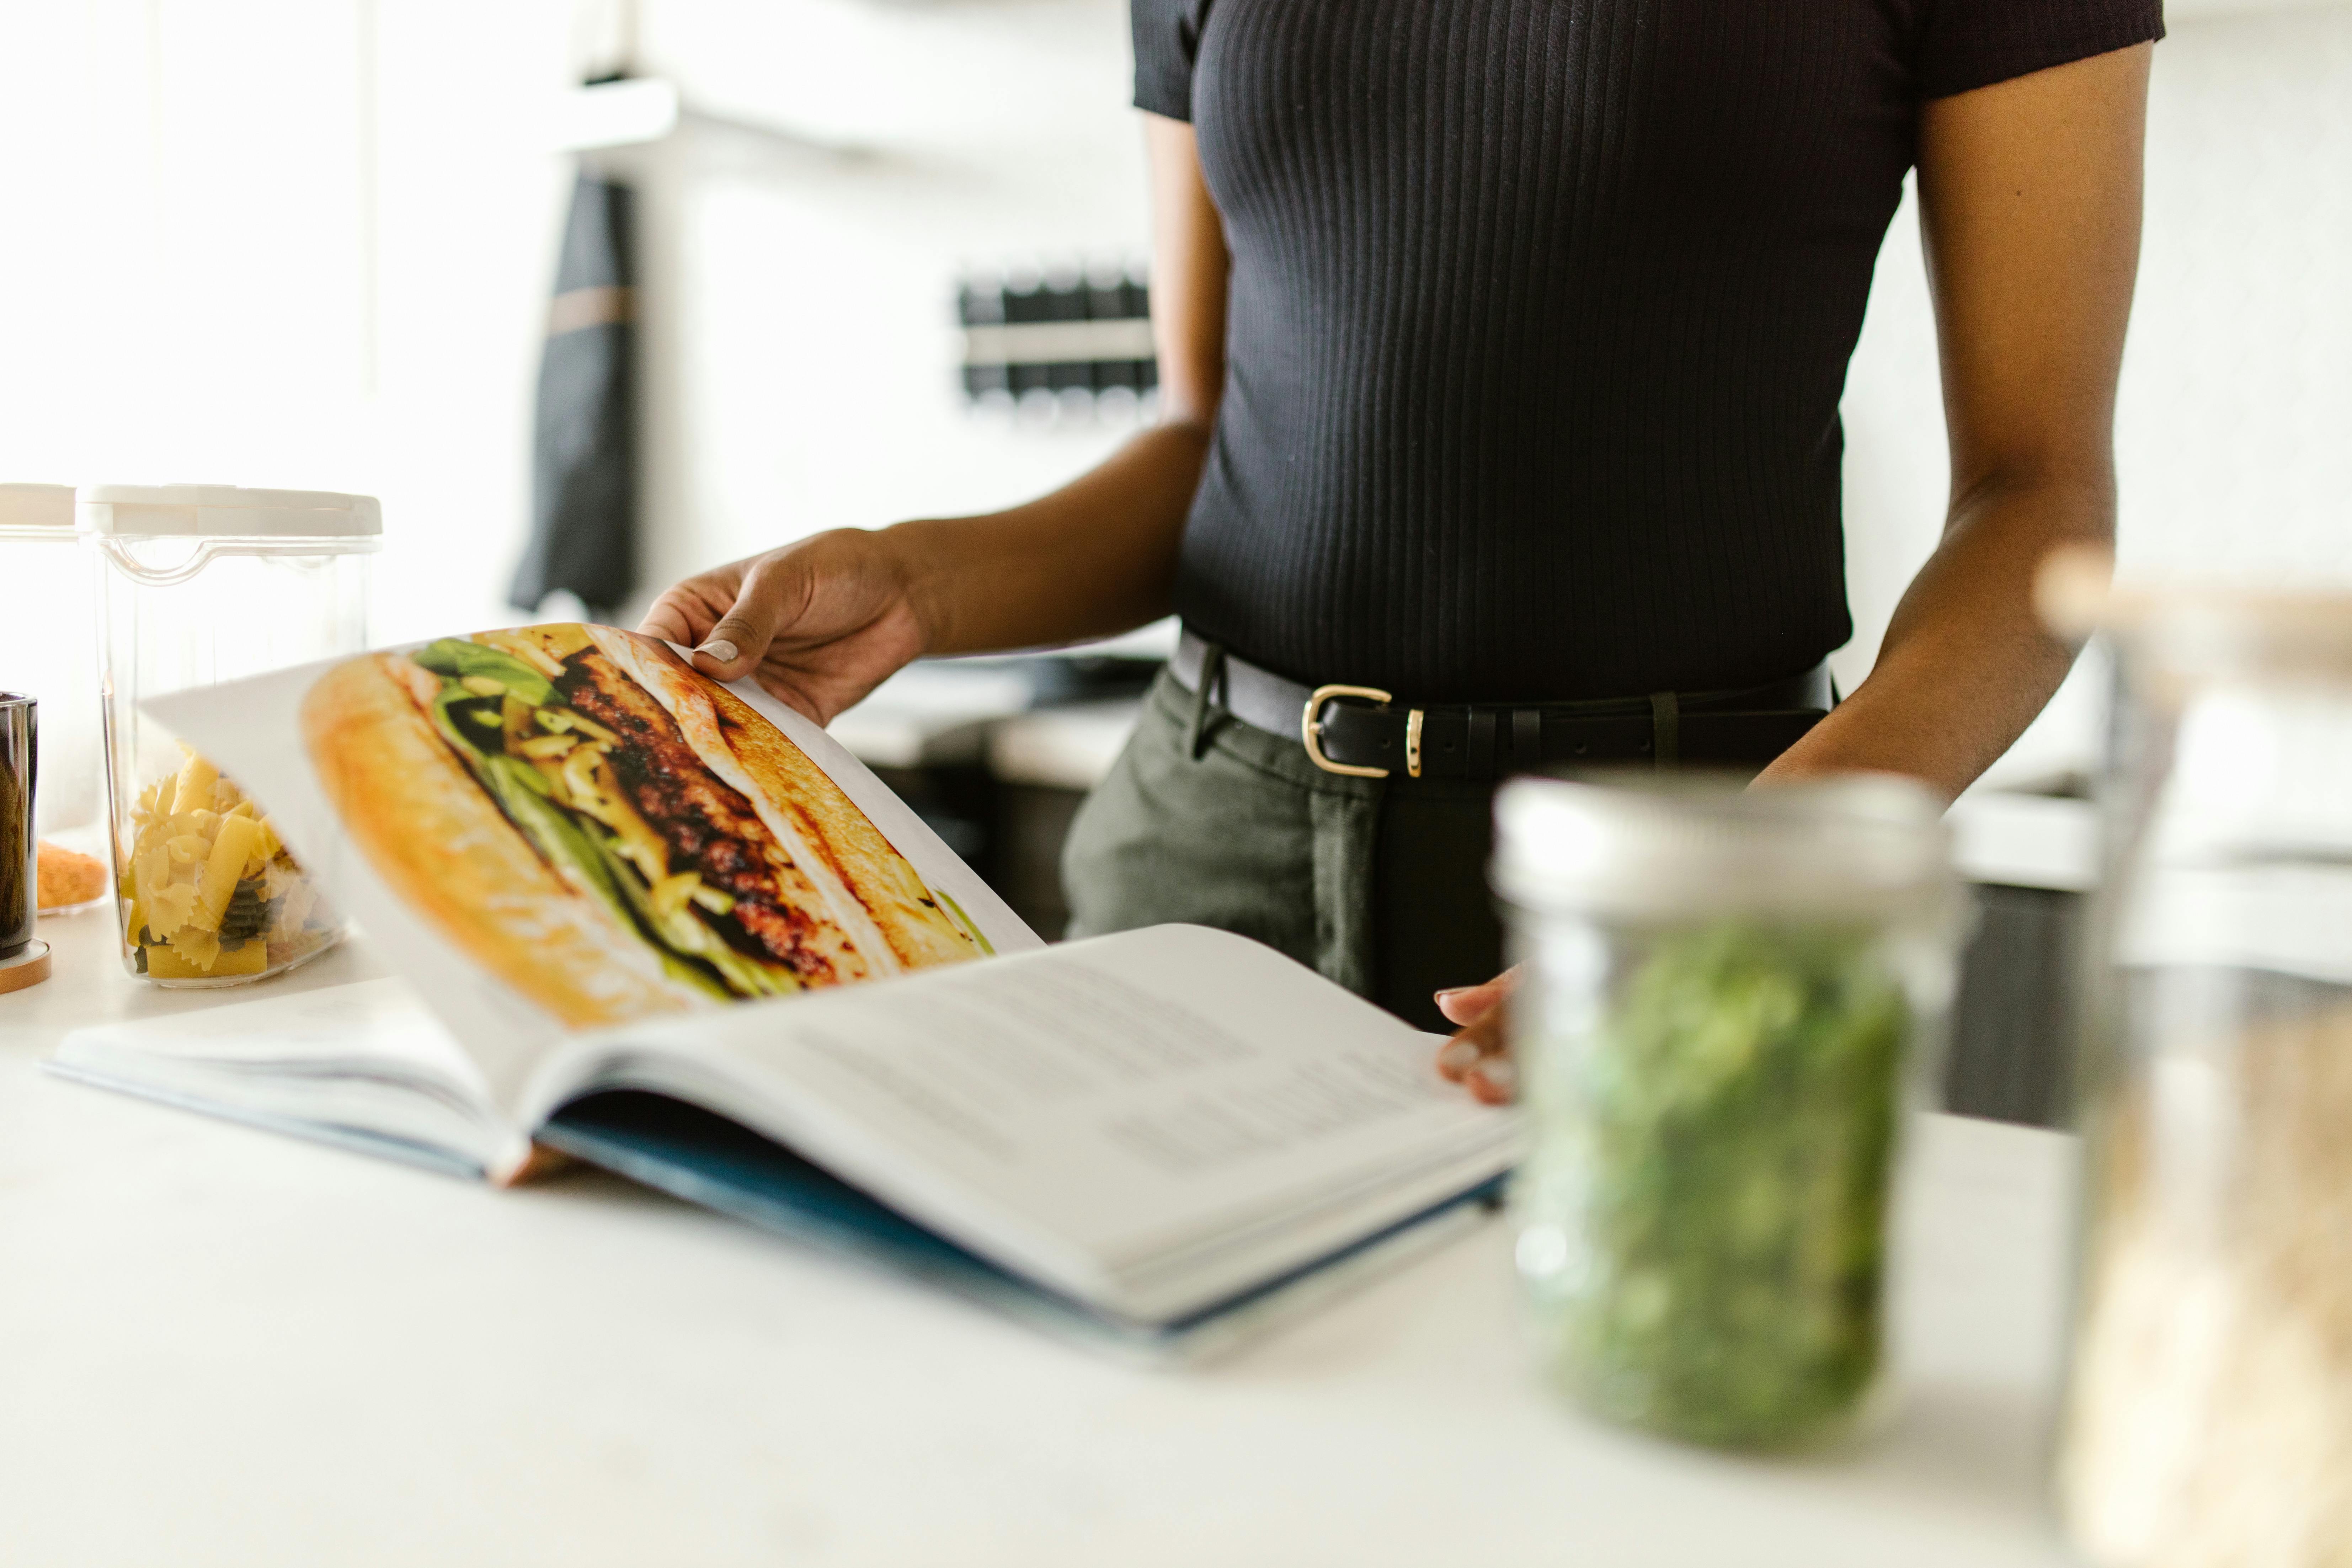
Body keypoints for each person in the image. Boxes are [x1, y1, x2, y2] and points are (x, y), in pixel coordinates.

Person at [641, 0, 2161, 1102]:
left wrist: (1737, 882)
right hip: (1204, 848)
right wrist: (912, 578)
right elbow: (1212, 438)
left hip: (1676, 875)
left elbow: (2036, 503)